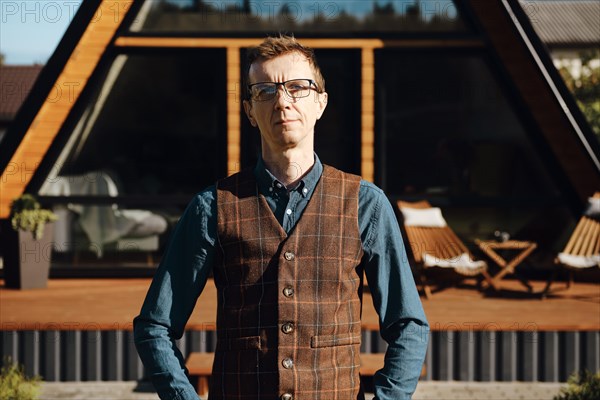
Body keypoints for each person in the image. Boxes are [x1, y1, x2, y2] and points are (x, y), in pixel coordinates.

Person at [134, 35, 429, 400]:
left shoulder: (365, 204)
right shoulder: (212, 206)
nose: (282, 101)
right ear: (249, 111)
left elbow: (409, 325)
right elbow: (155, 325)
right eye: (265, 90)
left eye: (297, 87)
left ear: (321, 102)